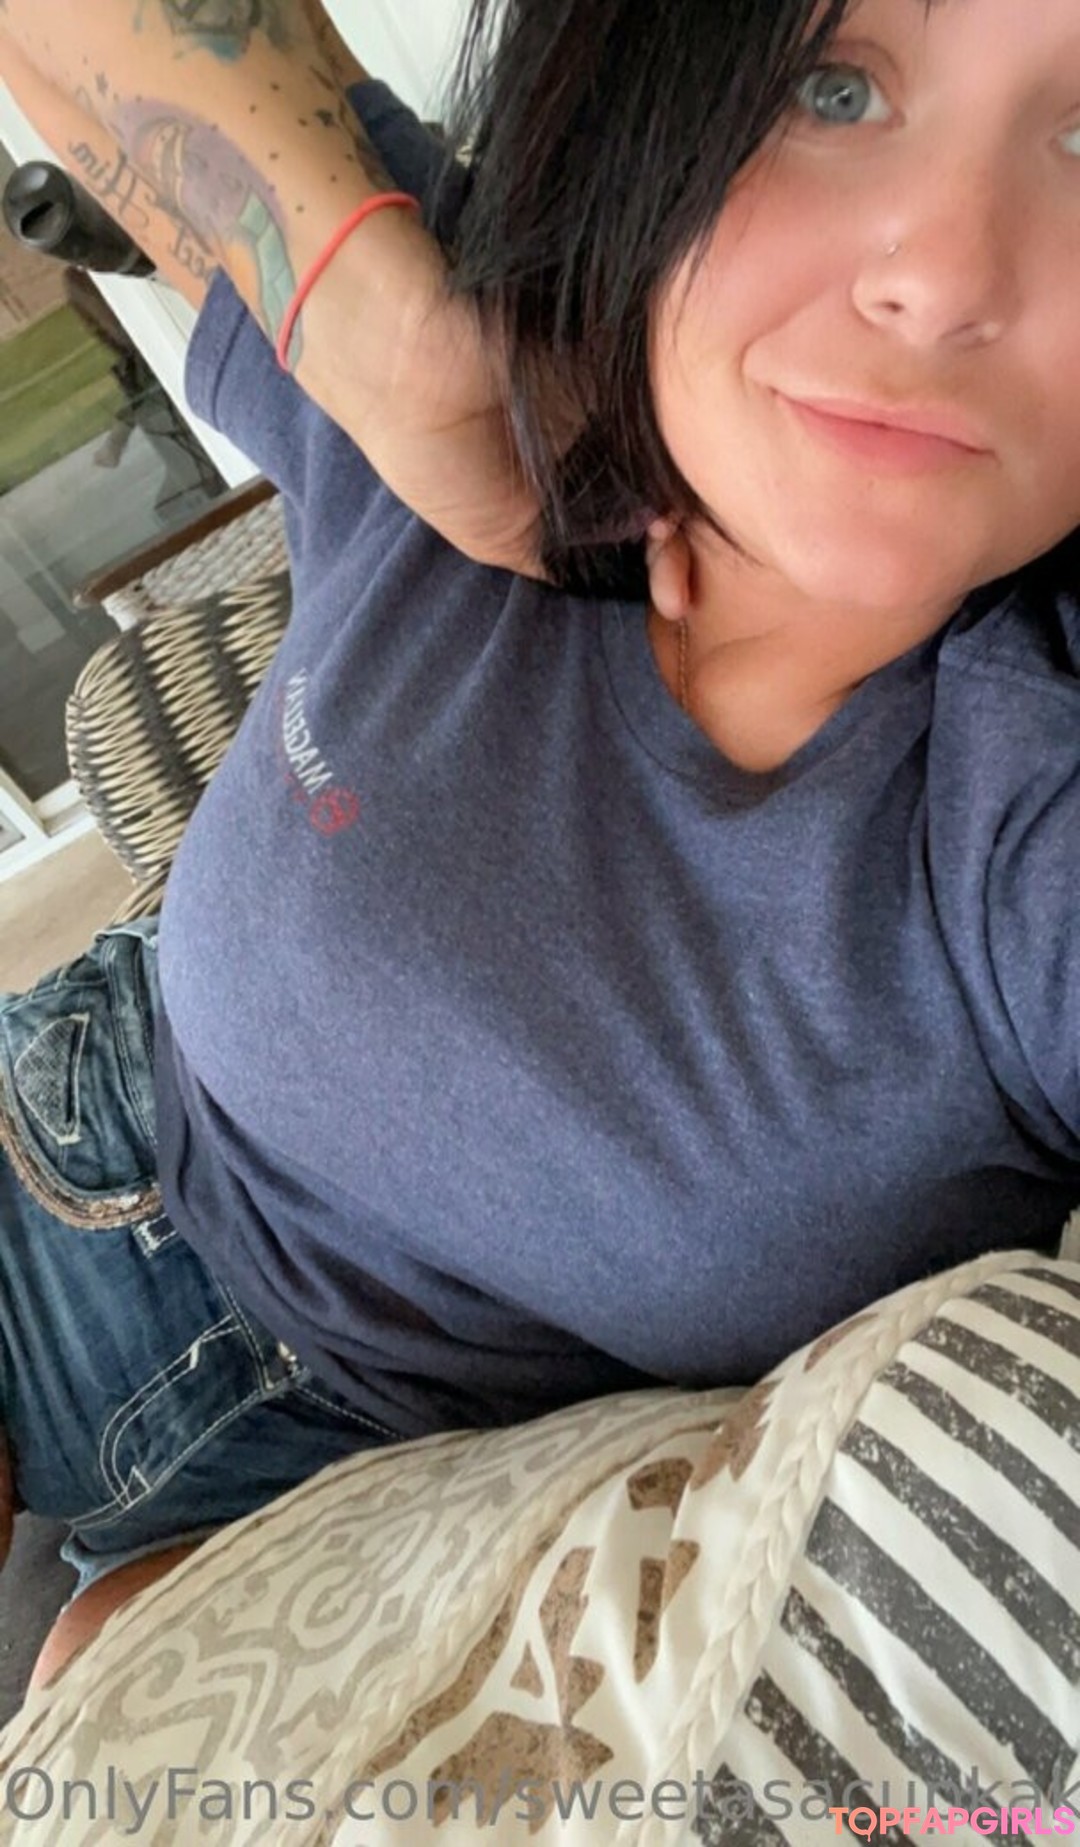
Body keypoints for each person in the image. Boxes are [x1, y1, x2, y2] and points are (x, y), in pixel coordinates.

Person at [2, 0, 1080, 1682]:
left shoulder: (1028, 811)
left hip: (380, 1507)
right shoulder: (501, 373)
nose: (942, 275)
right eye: (833, 87)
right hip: (80, 1137)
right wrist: (389, 340)